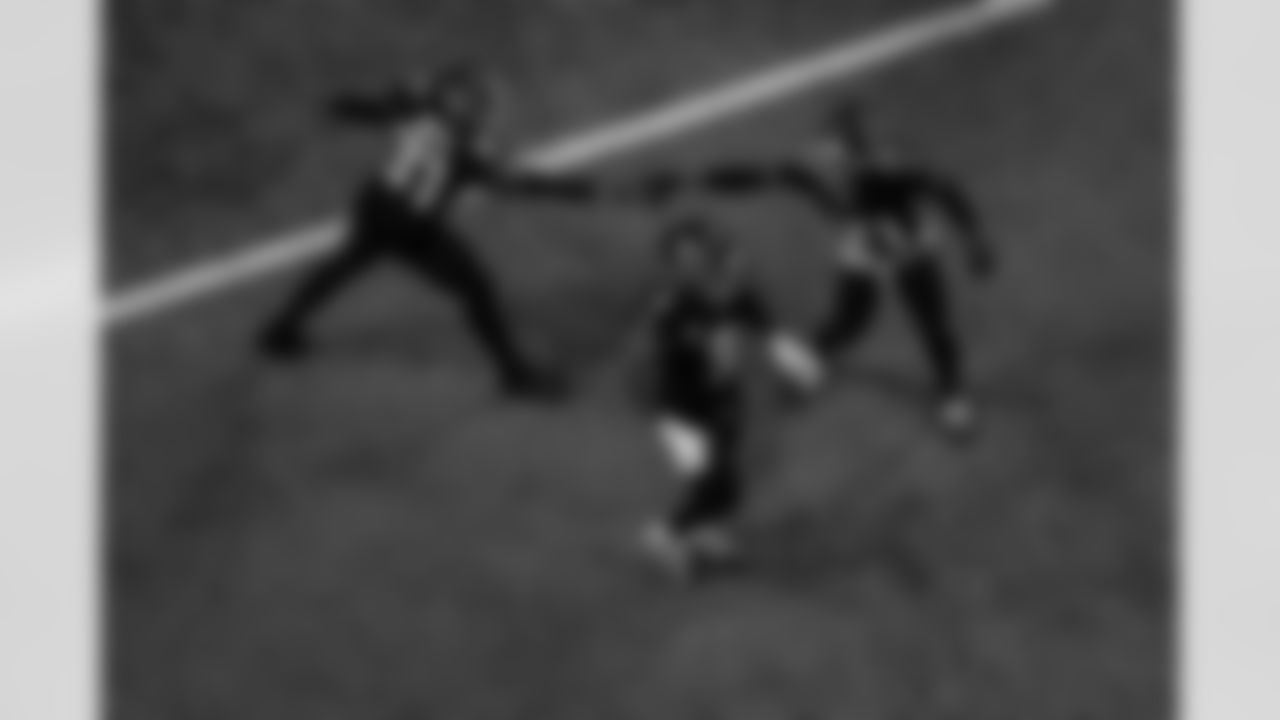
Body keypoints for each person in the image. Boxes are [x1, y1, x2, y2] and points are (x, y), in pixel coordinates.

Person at [642, 101, 997, 437]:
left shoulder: (893, 168)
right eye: (831, 149)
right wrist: (688, 180)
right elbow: (757, 177)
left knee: (933, 324)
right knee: (850, 321)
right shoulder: (819, 171)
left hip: (911, 250)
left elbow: (945, 190)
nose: (831, 159)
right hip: (862, 250)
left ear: (859, 149)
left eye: (840, 149)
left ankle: (953, 396)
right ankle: (812, 360)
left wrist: (974, 238)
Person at [257, 64, 606, 395]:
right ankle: (514, 374)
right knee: (477, 288)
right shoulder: (469, 152)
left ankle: (280, 330)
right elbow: (521, 184)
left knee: (347, 262)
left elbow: (371, 109)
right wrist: (585, 191)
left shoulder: (418, 109)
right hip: (410, 227)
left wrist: (340, 105)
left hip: (375, 203)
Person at [628, 218, 824, 580]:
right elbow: (688, 343)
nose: (693, 264)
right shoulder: (673, 310)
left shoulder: (735, 297)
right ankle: (663, 536)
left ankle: (700, 532)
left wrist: (799, 363)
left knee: (725, 487)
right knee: (716, 487)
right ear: (672, 267)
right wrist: (727, 299)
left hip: (723, 406)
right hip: (683, 414)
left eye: (697, 254)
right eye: (682, 259)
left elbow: (769, 333)